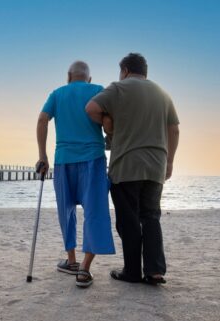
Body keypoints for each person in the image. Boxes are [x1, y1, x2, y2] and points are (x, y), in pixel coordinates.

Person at [86, 53, 180, 285]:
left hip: (126, 165)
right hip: (156, 165)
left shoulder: (119, 88)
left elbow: (91, 108)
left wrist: (110, 125)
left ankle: (132, 272)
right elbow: (175, 129)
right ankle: (155, 271)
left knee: (127, 220)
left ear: (125, 70)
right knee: (151, 217)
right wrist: (170, 161)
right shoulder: (162, 93)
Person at [36, 61, 115, 288]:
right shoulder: (98, 90)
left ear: (68, 76)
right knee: (95, 211)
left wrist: (43, 156)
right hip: (93, 158)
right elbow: (108, 122)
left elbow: (42, 119)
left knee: (66, 211)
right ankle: (84, 269)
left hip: (64, 160)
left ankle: (71, 260)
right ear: (88, 79)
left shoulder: (58, 93)